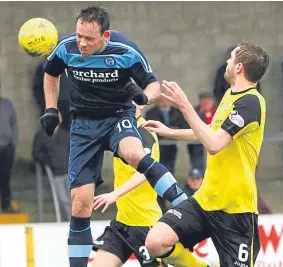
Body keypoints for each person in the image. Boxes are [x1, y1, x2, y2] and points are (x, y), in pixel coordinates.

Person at [40, 6, 187, 266]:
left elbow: (152, 84)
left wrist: (145, 96)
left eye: (89, 38)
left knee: (133, 153)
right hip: (84, 124)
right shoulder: (66, 48)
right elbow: (51, 74)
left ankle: (185, 206)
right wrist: (51, 108)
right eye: (79, 36)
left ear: (105, 36)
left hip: (118, 115)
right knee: (80, 205)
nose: (82, 43)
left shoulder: (126, 51)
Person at [143, 42, 269, 267]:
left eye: (231, 59)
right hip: (205, 200)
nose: (227, 63)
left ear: (239, 67)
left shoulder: (251, 101)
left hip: (236, 210)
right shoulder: (230, 95)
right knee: (156, 242)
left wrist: (184, 105)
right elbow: (210, 131)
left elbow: (213, 144)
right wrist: (170, 131)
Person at [92, 103, 211, 267]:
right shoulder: (118, 131)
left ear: (140, 106)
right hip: (122, 223)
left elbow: (145, 172)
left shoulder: (144, 133)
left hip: (145, 224)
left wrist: (115, 194)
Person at [0, 97, 19, 213]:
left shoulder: (7, 104)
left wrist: (13, 143)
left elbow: (14, 123)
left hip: (7, 147)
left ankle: (6, 205)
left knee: (5, 177)